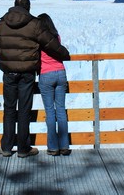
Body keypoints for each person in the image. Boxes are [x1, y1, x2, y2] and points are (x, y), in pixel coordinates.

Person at [0, 0, 70, 158]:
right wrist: (65, 54)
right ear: (28, 8)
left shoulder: (1, 24)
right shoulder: (34, 24)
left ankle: (6, 147)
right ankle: (23, 148)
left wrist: (8, 55)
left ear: (13, 7)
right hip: (27, 73)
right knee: (24, 110)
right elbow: (50, 44)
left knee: (9, 109)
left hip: (9, 73)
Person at [38, 13, 71, 156]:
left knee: (50, 111)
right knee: (61, 110)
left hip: (46, 74)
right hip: (61, 73)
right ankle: (64, 146)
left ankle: (53, 147)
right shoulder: (56, 37)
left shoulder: (39, 39)